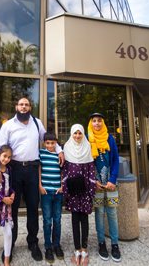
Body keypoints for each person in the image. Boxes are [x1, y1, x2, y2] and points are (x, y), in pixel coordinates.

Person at [0, 97, 64, 262]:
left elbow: (48, 139)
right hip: (14, 170)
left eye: (27, 104)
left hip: (32, 170)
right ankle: (12, 244)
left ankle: (33, 242)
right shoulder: (8, 125)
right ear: (16, 106)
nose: (23, 107)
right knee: (13, 208)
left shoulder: (37, 123)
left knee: (32, 208)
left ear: (30, 107)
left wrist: (59, 150)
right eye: (21, 104)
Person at [88, 112, 121, 262]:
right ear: (90, 123)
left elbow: (115, 161)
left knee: (112, 213)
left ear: (103, 123)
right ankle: (101, 243)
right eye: (94, 121)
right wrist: (93, 181)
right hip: (97, 185)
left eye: (99, 121)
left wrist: (113, 179)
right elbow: (88, 163)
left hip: (111, 183)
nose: (97, 123)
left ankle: (115, 244)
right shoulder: (88, 140)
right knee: (99, 213)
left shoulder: (110, 139)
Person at [62, 124, 96, 266]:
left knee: (85, 220)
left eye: (79, 133)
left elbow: (91, 171)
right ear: (71, 134)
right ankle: (77, 250)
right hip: (73, 192)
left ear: (83, 134)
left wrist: (91, 191)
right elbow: (64, 171)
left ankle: (84, 249)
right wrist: (65, 190)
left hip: (85, 192)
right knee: (75, 220)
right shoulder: (66, 148)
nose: (77, 136)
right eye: (75, 133)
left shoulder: (87, 148)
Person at [38, 132, 64, 263]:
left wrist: (62, 185)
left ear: (56, 143)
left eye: (52, 143)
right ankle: (48, 247)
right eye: (47, 143)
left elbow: (62, 171)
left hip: (58, 191)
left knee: (57, 220)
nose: (50, 145)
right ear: (44, 143)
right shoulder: (41, 154)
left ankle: (56, 245)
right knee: (47, 220)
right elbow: (39, 170)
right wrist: (40, 185)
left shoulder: (60, 155)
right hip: (46, 192)